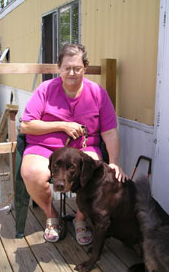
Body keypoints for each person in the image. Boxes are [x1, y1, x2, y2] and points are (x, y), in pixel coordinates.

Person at [20, 44, 128, 244]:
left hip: (84, 149)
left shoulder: (98, 93)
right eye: (67, 67)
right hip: (46, 148)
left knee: (96, 172)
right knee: (32, 173)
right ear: (59, 67)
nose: (72, 72)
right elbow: (26, 125)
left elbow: (110, 131)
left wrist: (113, 162)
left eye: (77, 68)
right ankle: (52, 215)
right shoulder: (45, 90)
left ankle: (81, 217)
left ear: (85, 67)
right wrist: (62, 125)